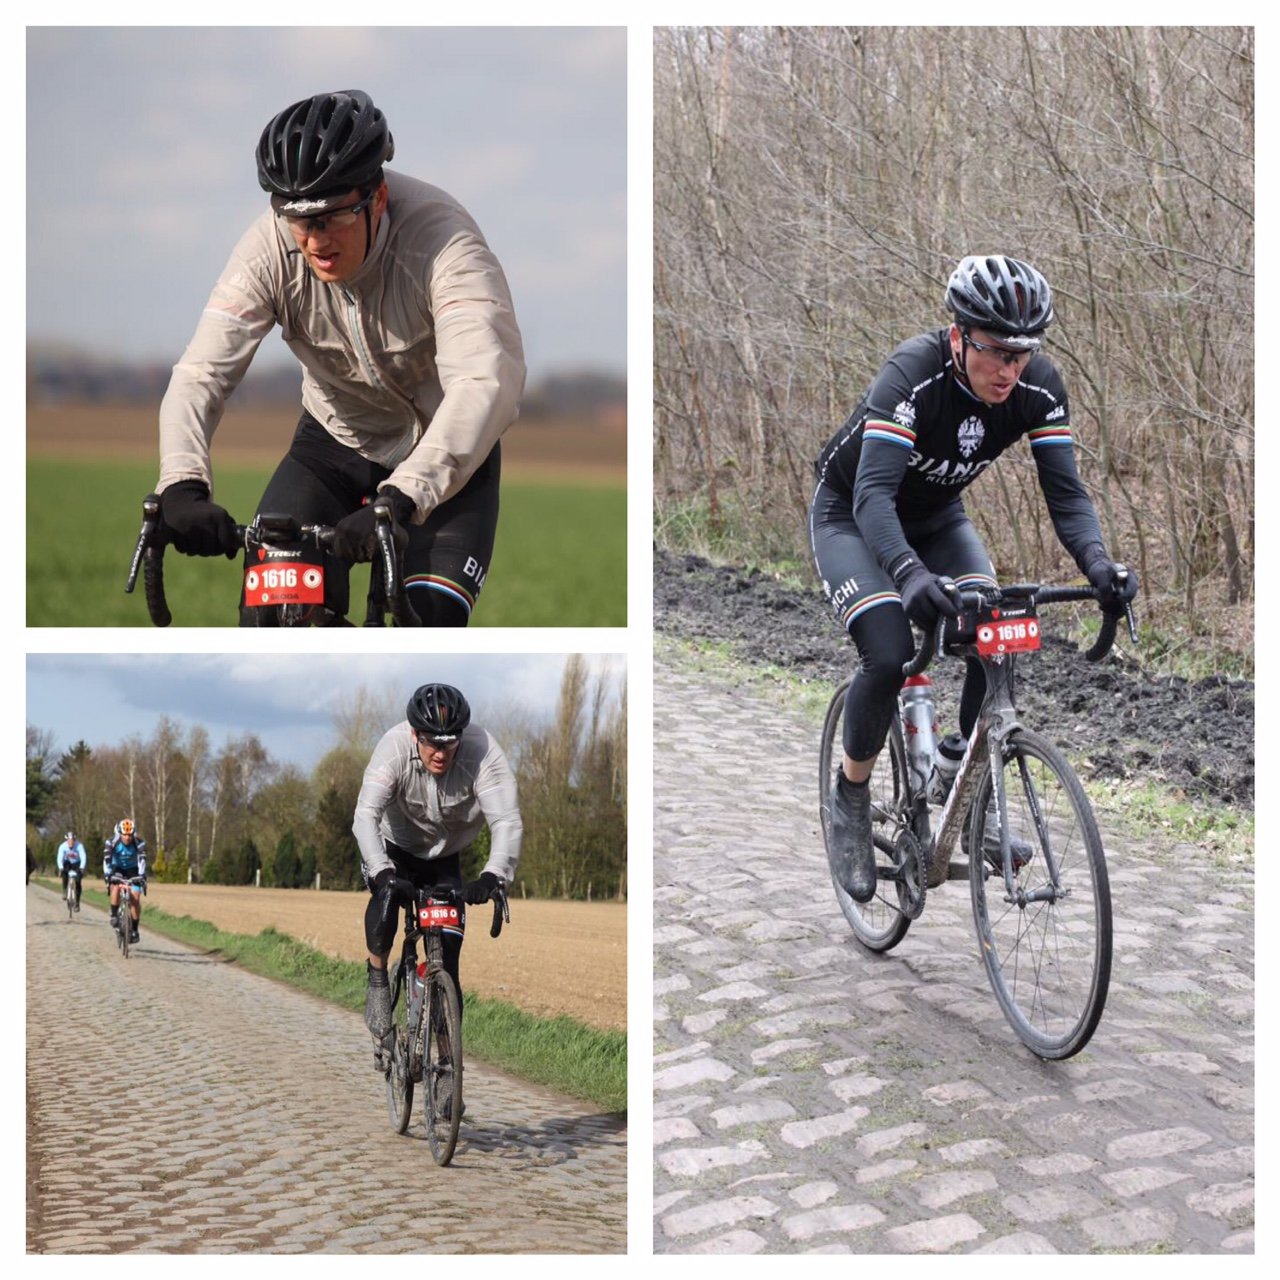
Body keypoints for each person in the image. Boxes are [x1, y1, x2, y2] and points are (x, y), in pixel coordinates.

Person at [810, 255, 1138, 901]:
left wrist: (1099, 565)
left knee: (996, 632)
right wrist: (905, 574)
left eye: (1022, 354)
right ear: (959, 335)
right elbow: (873, 495)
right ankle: (849, 797)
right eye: (995, 352)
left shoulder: (1039, 389)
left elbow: (1066, 497)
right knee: (889, 652)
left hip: (936, 520)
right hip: (851, 515)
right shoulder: (912, 374)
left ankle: (969, 793)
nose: (1009, 371)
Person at [154, 89, 526, 627]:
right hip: (332, 446)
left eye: (331, 217)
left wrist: (404, 495)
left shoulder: (445, 243)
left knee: (429, 622)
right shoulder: (269, 248)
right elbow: (201, 375)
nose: (312, 239)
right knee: (274, 617)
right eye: (296, 219)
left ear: (376, 197)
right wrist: (182, 483)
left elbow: (485, 381)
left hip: (446, 458)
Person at [353, 683, 521, 1092]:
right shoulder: (392, 748)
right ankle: (378, 982)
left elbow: (507, 821)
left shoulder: (484, 753)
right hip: (397, 848)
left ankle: (446, 1066)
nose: (440, 753)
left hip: (446, 857)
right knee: (387, 901)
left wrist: (494, 875)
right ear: (415, 735)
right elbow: (365, 815)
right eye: (431, 743)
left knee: (447, 960)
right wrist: (380, 871)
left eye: (449, 742)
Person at [103, 819, 148, 942]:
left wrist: (142, 876)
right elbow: (107, 859)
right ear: (119, 833)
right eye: (125, 834)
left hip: (133, 870)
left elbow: (142, 860)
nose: (127, 837)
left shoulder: (139, 843)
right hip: (117, 868)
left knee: (135, 898)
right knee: (116, 887)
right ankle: (114, 914)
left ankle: (134, 929)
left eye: (130, 834)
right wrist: (108, 874)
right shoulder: (112, 842)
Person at [56, 831, 87, 911]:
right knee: (64, 874)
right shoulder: (62, 846)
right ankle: (64, 890)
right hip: (67, 863)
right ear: (66, 841)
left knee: (78, 882)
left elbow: (83, 857)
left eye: (72, 841)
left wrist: (82, 868)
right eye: (69, 841)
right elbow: (59, 858)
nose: (71, 843)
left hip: (77, 864)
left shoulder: (79, 846)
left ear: (75, 840)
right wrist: (61, 867)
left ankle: (77, 903)